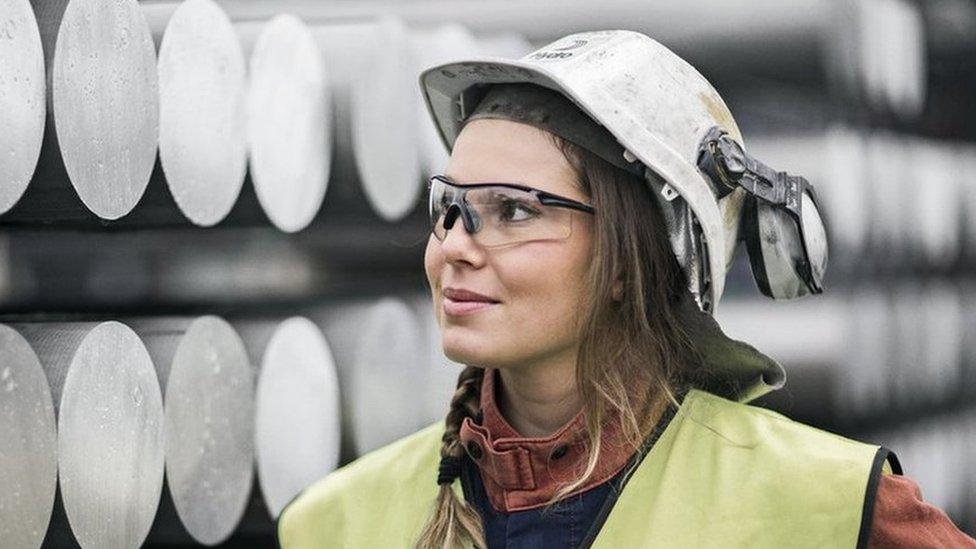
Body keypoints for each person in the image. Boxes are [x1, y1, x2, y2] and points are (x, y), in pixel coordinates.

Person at [277, 30, 976, 548]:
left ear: (626, 259)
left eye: (513, 210)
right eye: (449, 208)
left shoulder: (833, 506)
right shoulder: (332, 524)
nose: (454, 246)